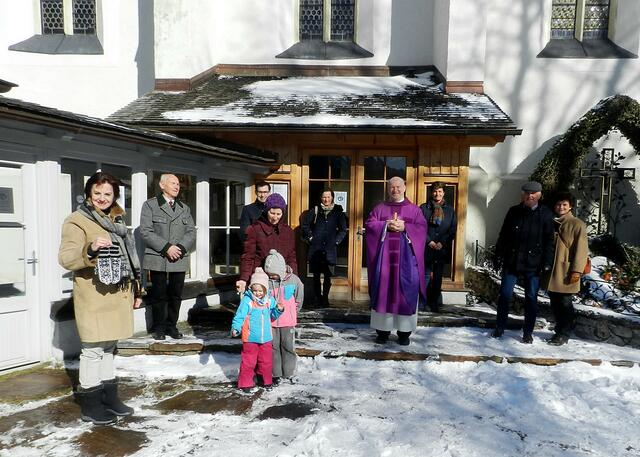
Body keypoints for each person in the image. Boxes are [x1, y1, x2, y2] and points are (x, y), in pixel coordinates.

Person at [59, 172, 143, 425]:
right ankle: (91, 405)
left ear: (114, 196)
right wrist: (91, 249)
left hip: (117, 293)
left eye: (108, 194)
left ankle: (110, 398)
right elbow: (66, 258)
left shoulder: (116, 220)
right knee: (93, 350)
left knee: (109, 349)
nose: (102, 198)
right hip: (94, 296)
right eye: (97, 193)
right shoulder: (76, 221)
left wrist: (137, 290)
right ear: (88, 194)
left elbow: (130, 258)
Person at [365, 176, 427, 346]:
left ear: (405, 187)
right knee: (384, 292)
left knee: (405, 291)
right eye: (392, 187)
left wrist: (406, 227)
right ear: (388, 189)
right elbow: (370, 225)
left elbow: (422, 229)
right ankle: (382, 332)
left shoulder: (414, 210)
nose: (395, 190)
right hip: (384, 263)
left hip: (406, 263)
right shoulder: (380, 208)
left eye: (398, 187)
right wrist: (385, 225)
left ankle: (404, 333)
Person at [492, 181, 555, 344]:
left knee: (531, 298)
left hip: (533, 264)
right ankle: (499, 327)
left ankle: (528, 332)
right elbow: (503, 235)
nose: (529, 196)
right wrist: (498, 255)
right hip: (512, 261)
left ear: (539, 195)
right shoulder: (514, 211)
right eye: (527, 193)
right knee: (505, 295)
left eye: (533, 194)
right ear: (523, 195)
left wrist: (547, 262)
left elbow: (549, 241)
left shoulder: (546, 214)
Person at [140, 174, 196, 340]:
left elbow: (191, 232)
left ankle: (172, 326)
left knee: (176, 295)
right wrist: (166, 248)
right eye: (173, 183)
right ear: (162, 185)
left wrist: (179, 248)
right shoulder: (150, 205)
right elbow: (145, 231)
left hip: (178, 257)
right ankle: (159, 328)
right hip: (158, 257)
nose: (177, 186)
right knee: (159, 294)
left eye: (178, 184)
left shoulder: (184, 208)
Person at [545, 192, 589, 345]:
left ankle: (564, 333)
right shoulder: (552, 221)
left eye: (564, 204)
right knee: (555, 303)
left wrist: (577, 270)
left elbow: (581, 249)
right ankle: (559, 330)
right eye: (558, 204)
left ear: (570, 206)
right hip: (553, 270)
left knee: (565, 304)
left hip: (566, 270)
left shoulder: (577, 224)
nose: (561, 207)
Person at [231, 267, 283, 393]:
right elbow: (240, 316)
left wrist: (278, 310)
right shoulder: (247, 301)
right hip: (250, 337)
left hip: (266, 337)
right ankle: (245, 383)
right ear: (251, 289)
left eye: (260, 290)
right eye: (255, 290)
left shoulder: (269, 301)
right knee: (249, 361)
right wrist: (236, 328)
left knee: (266, 361)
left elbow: (272, 316)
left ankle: (265, 380)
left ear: (265, 289)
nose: (258, 293)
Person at [236, 193, 297, 294]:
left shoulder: (288, 231)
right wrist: (244, 279)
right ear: (266, 211)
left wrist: (294, 278)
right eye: (272, 213)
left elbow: (292, 257)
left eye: (278, 214)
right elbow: (248, 257)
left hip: (282, 281)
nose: (275, 217)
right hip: (260, 281)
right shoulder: (254, 229)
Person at [263, 249, 304, 385]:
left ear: (281, 271)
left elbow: (299, 298)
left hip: (288, 322)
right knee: (274, 347)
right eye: (269, 275)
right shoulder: (267, 282)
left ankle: (289, 372)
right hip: (272, 321)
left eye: (273, 275)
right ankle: (276, 374)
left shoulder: (294, 280)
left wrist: (294, 312)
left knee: (287, 346)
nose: (271, 277)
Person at [301, 188, 348, 306]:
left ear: (332, 197)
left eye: (328, 197)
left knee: (328, 276)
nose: (326, 199)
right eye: (324, 197)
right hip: (316, 248)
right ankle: (318, 298)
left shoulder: (338, 212)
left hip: (330, 249)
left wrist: (336, 241)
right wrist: (311, 237)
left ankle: (325, 299)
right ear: (321, 198)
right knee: (316, 276)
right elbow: (305, 225)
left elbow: (343, 230)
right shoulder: (315, 210)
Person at [420, 182, 457, 312]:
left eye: (440, 191)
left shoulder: (450, 210)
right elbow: (419, 227)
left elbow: (452, 229)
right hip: (426, 248)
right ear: (431, 192)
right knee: (424, 276)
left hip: (441, 249)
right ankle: (422, 302)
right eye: (435, 191)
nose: (437, 194)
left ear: (444, 193)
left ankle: (434, 302)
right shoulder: (424, 208)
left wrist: (442, 242)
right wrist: (429, 241)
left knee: (437, 277)